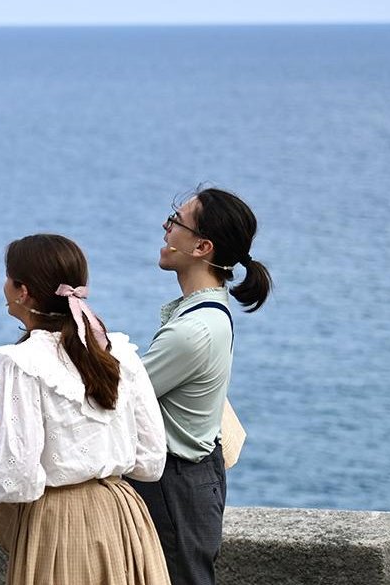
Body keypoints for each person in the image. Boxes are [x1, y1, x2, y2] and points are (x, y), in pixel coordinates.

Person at [0, 233, 168, 585]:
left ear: (21, 291)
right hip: (124, 520)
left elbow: (17, 478)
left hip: (60, 524)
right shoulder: (118, 352)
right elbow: (151, 462)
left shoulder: (23, 362)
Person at [128, 189, 272, 585]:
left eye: (176, 220)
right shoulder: (207, 312)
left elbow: (122, 395)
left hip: (174, 484)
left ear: (202, 246)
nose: (166, 226)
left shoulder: (194, 330)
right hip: (191, 477)